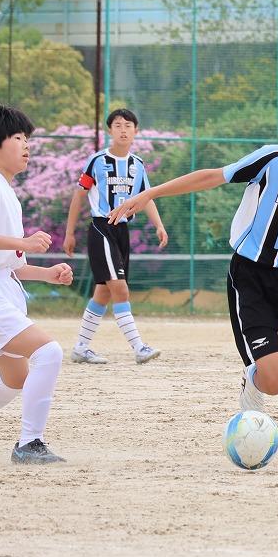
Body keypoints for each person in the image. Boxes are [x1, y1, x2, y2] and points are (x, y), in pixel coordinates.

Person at [108, 86, 278, 467]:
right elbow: (212, 177)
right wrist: (150, 195)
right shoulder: (275, 159)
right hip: (251, 277)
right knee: (276, 381)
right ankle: (253, 378)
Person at [0, 103, 73, 464]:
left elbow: (11, 266)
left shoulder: (6, 191)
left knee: (16, 376)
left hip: (1, 290)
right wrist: (22, 242)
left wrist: (47, 274)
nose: (26, 145)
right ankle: (29, 444)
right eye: (18, 137)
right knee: (49, 352)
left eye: (26, 138)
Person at [63, 108, 166, 365]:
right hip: (102, 228)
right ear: (110, 130)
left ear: (136, 131)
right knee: (120, 289)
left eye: (128, 125)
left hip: (121, 231)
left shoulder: (138, 165)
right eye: (118, 125)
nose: (123, 129)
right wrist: (69, 233)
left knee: (103, 293)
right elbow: (79, 195)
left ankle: (81, 348)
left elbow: (147, 197)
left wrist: (159, 225)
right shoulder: (97, 160)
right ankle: (139, 347)